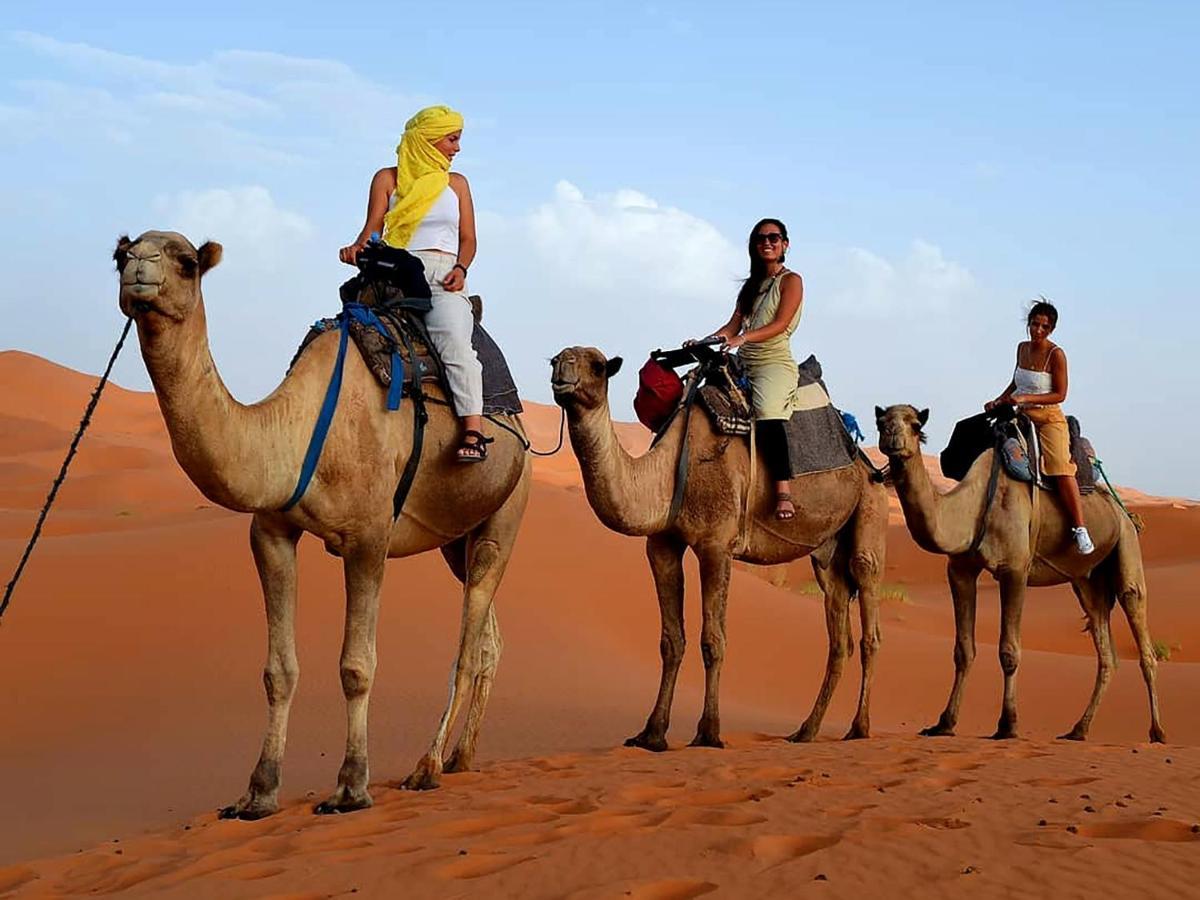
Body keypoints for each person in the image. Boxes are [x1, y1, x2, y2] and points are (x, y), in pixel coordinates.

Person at [339, 105, 489, 463]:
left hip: (441, 275)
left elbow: (468, 239)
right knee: (345, 337)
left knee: (454, 342)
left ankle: (474, 429)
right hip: (395, 272)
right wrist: (356, 249)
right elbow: (373, 231)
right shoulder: (387, 179)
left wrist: (461, 268)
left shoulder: (457, 185)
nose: (457, 148)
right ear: (427, 140)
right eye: (452, 139)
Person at [697, 218, 804, 519]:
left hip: (773, 362)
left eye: (773, 237)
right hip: (743, 360)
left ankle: (783, 491)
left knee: (768, 412)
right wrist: (703, 341)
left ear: (785, 244)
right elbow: (730, 327)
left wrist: (740, 338)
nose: (767, 243)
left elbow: (779, 324)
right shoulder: (751, 286)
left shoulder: (791, 281)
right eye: (760, 239)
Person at [985, 300, 1094, 553]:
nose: (1038, 330)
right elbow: (1015, 382)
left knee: (1058, 466)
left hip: (1048, 418)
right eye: (1035, 324)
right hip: (1018, 414)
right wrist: (1000, 399)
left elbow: (1060, 394)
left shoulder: (1056, 355)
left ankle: (1080, 528)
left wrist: (1026, 399)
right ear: (1029, 324)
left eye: (1044, 326)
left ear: (1051, 329)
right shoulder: (1022, 348)